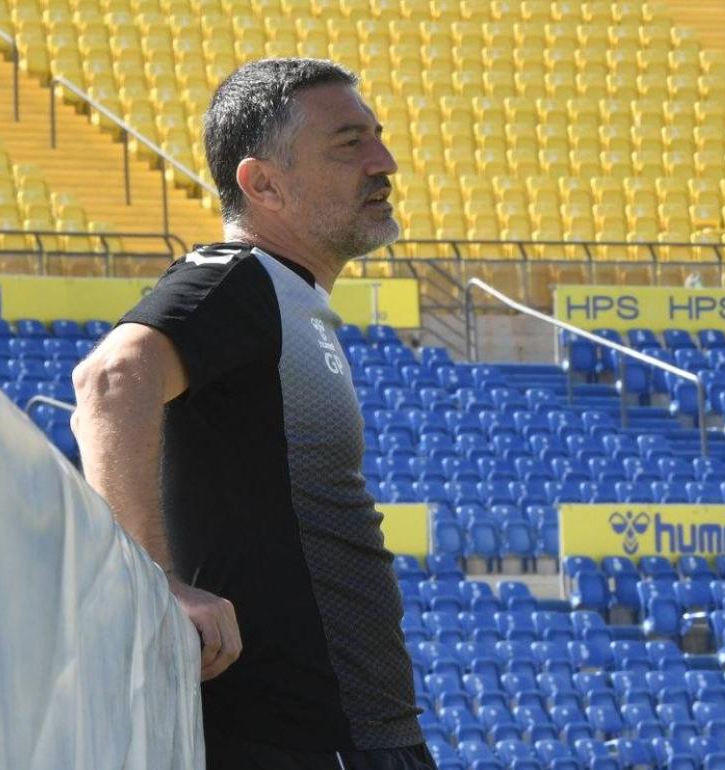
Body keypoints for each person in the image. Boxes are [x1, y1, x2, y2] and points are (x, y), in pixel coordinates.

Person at [71, 58, 435, 770]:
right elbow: (111, 380)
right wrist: (152, 581)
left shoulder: (290, 300)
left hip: (357, 734)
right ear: (261, 182)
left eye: (378, 138)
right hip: (293, 737)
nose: (383, 161)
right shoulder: (240, 276)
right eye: (349, 143)